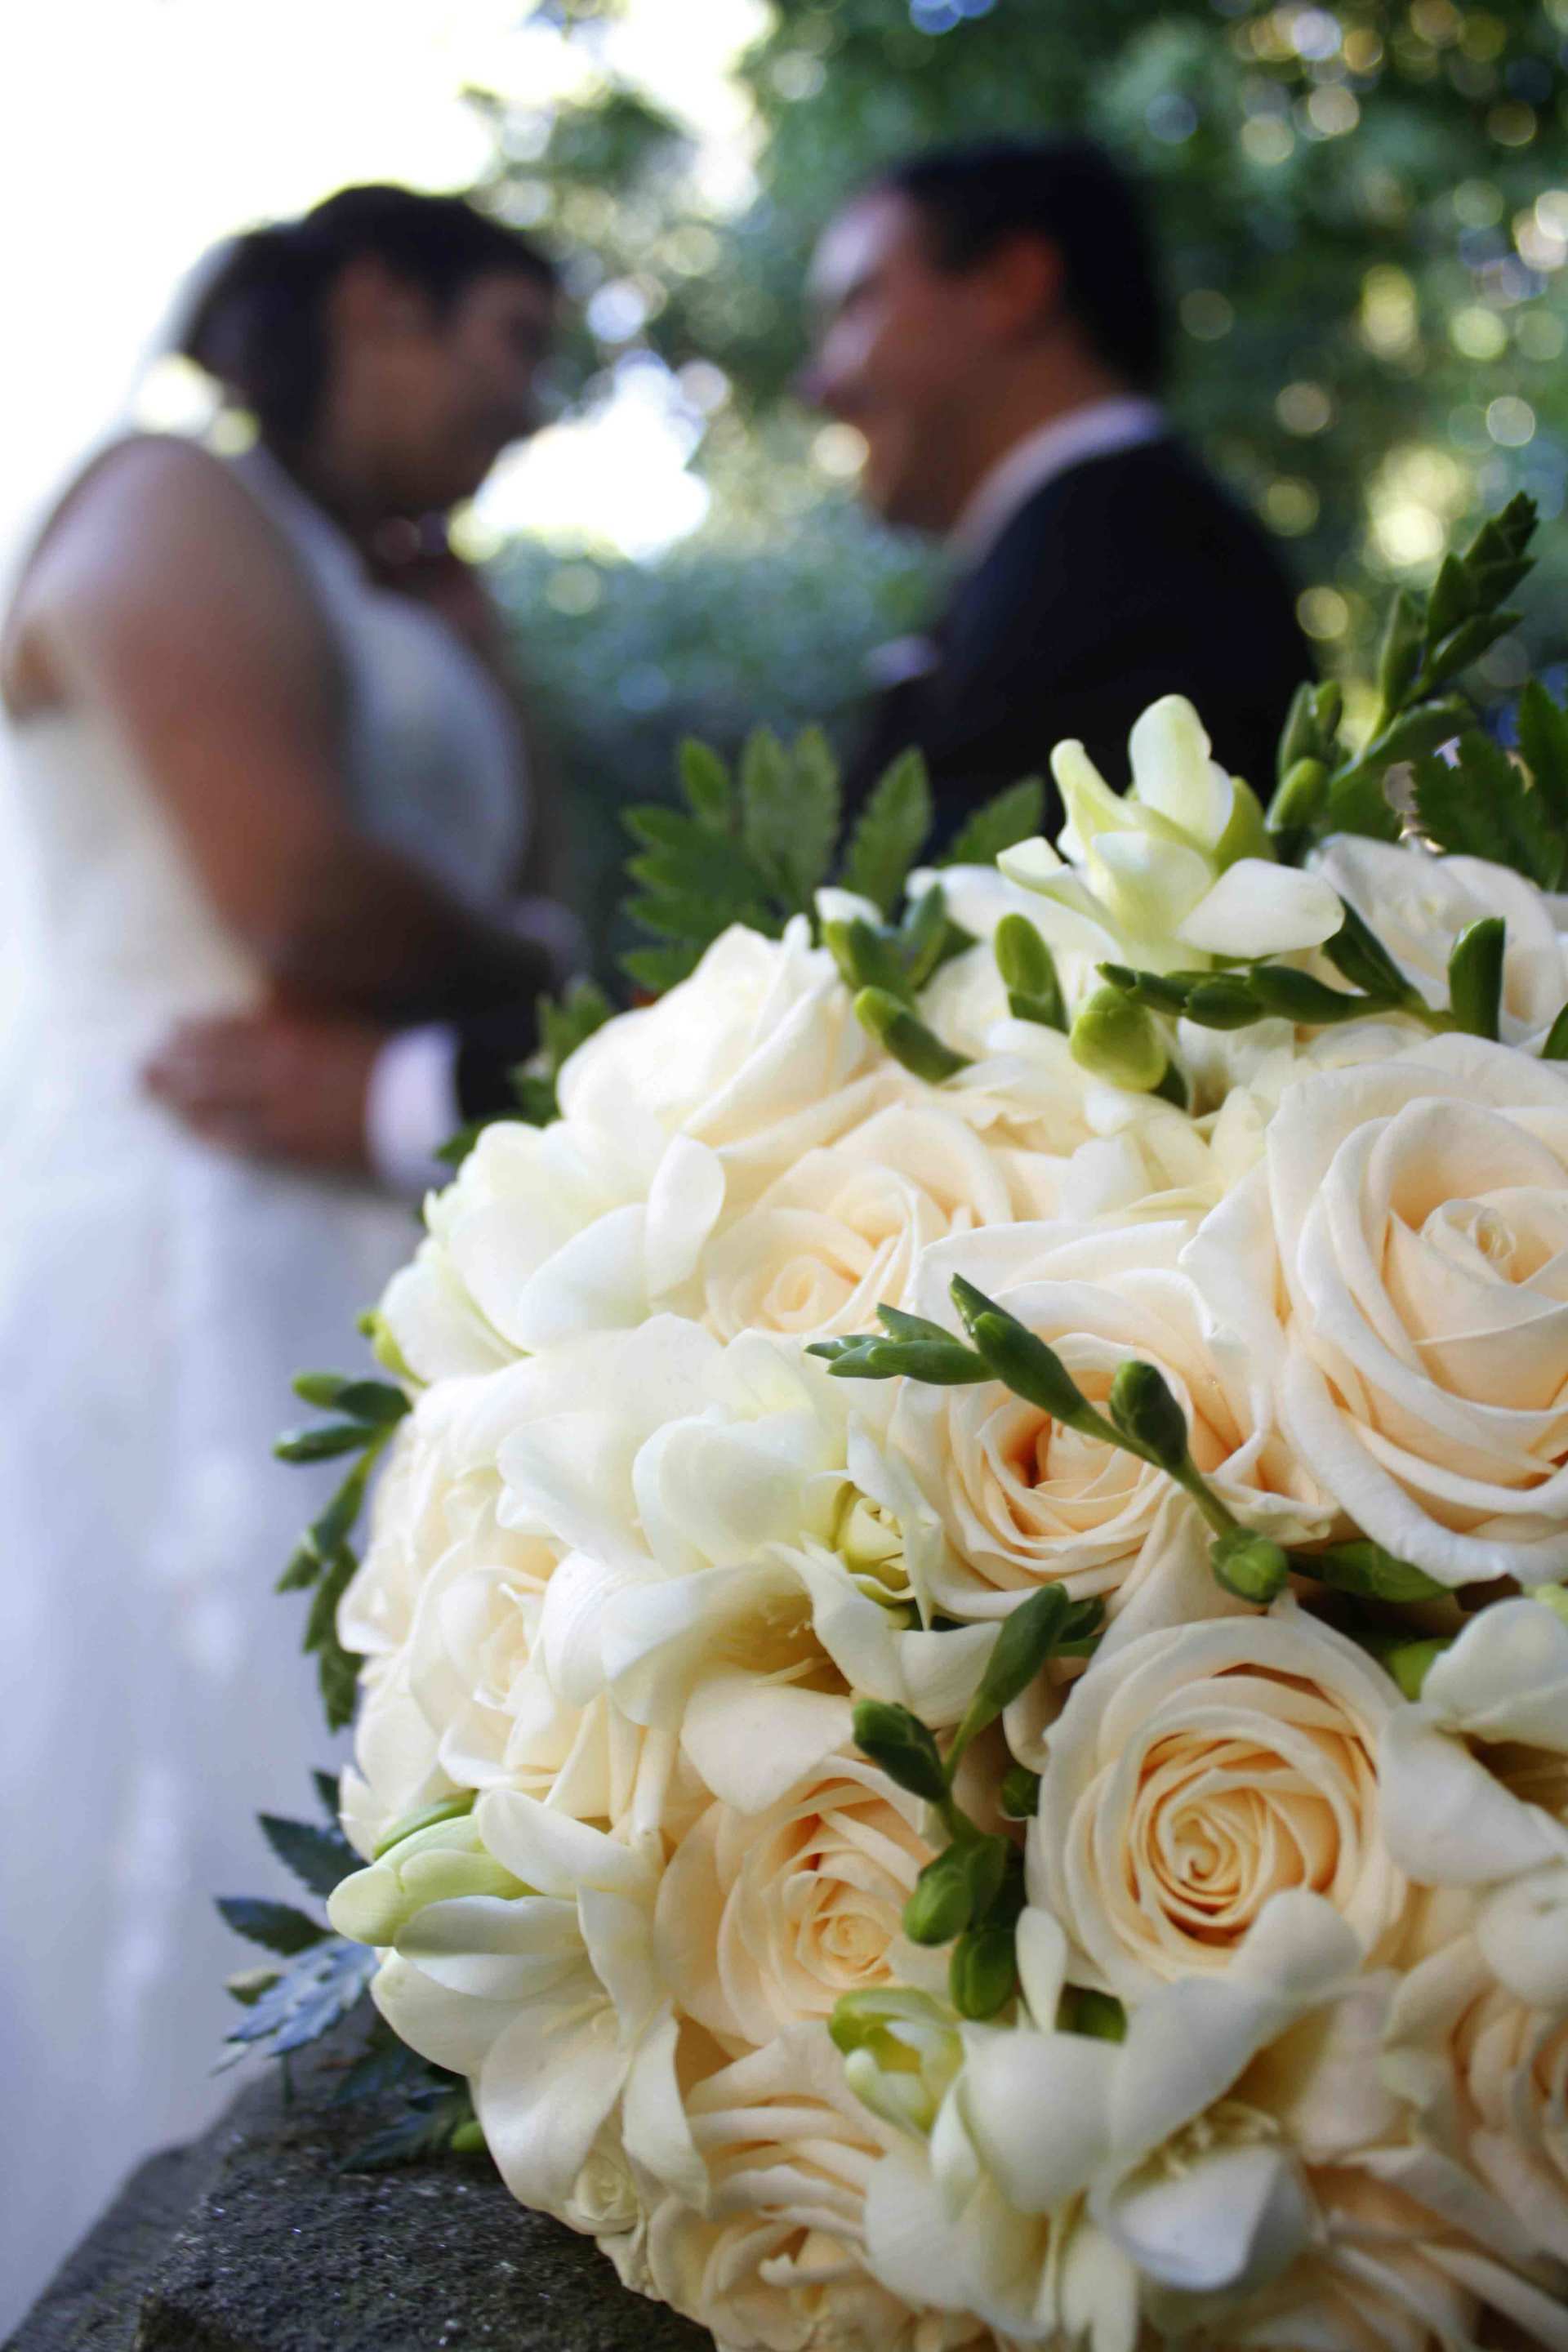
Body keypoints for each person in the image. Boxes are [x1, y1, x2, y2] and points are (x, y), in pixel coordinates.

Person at [147, 136, 1310, 1197]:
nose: (818, 381)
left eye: (856, 304)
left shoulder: (1125, 558)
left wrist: (415, 1095)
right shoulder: (1087, 554)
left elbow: (939, 958)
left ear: (1011, 286)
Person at [0, 184, 576, 2325]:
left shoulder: (408, 587)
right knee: (211, 1756)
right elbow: (302, 900)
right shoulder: (167, 499)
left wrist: (478, 685)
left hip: (394, 1229)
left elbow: (514, 891)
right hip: (185, 1246)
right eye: (512, 341)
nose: (533, 406)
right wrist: (522, 950)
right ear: (376, 300)